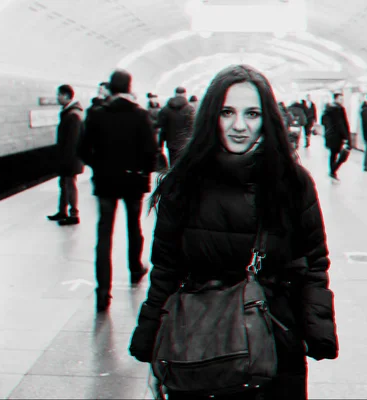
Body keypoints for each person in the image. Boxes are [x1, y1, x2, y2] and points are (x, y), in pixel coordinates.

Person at [129, 64, 338, 399]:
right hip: (197, 345)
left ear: (267, 118)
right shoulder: (181, 185)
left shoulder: (293, 183)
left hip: (273, 343)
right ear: (211, 115)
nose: (239, 126)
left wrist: (317, 329)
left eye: (252, 113)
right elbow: (166, 270)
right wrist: (152, 349)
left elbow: (314, 262)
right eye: (227, 112)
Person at [78, 69, 157, 312]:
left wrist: (99, 166)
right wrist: (141, 170)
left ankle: (103, 292)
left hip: (105, 182)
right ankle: (135, 268)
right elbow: (151, 152)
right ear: (129, 88)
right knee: (134, 225)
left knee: (104, 235)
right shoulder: (140, 115)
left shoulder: (96, 115)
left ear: (110, 89)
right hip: (132, 181)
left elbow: (82, 150)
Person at [47, 84, 85, 226]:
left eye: (59, 95)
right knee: (64, 184)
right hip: (67, 158)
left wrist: (66, 160)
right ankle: (62, 211)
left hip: (71, 159)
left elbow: (72, 141)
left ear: (67, 96)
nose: (57, 97)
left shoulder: (73, 115)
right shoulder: (69, 112)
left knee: (70, 184)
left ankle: (74, 214)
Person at [157, 86, 195, 166]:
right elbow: (193, 129)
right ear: (185, 94)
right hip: (186, 144)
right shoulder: (190, 109)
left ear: (175, 94)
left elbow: (162, 129)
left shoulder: (165, 109)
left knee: (173, 167)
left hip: (171, 145)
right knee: (185, 168)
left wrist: (160, 145)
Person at [321, 93, 351, 181]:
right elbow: (342, 124)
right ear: (335, 99)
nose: (342, 101)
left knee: (333, 154)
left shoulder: (326, 110)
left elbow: (323, 122)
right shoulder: (339, 110)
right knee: (339, 154)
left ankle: (332, 171)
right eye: (340, 99)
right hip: (338, 136)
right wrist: (346, 137)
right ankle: (333, 170)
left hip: (330, 136)